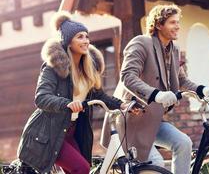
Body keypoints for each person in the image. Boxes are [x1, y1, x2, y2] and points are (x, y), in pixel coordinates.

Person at [100, 4, 209, 174]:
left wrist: (203, 90)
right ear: (158, 24)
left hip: (152, 121)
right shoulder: (141, 43)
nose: (177, 26)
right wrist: (156, 94)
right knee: (156, 163)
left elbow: (182, 79)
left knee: (183, 143)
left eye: (178, 22)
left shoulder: (173, 50)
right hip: (130, 120)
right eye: (172, 22)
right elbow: (127, 77)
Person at [17, 11, 129, 174]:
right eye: (80, 37)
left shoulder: (87, 69)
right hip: (49, 133)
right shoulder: (52, 68)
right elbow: (41, 97)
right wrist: (67, 103)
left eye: (86, 36)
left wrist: (122, 104)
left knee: (80, 169)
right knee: (81, 168)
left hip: (71, 132)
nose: (86, 41)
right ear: (69, 42)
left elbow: (99, 96)